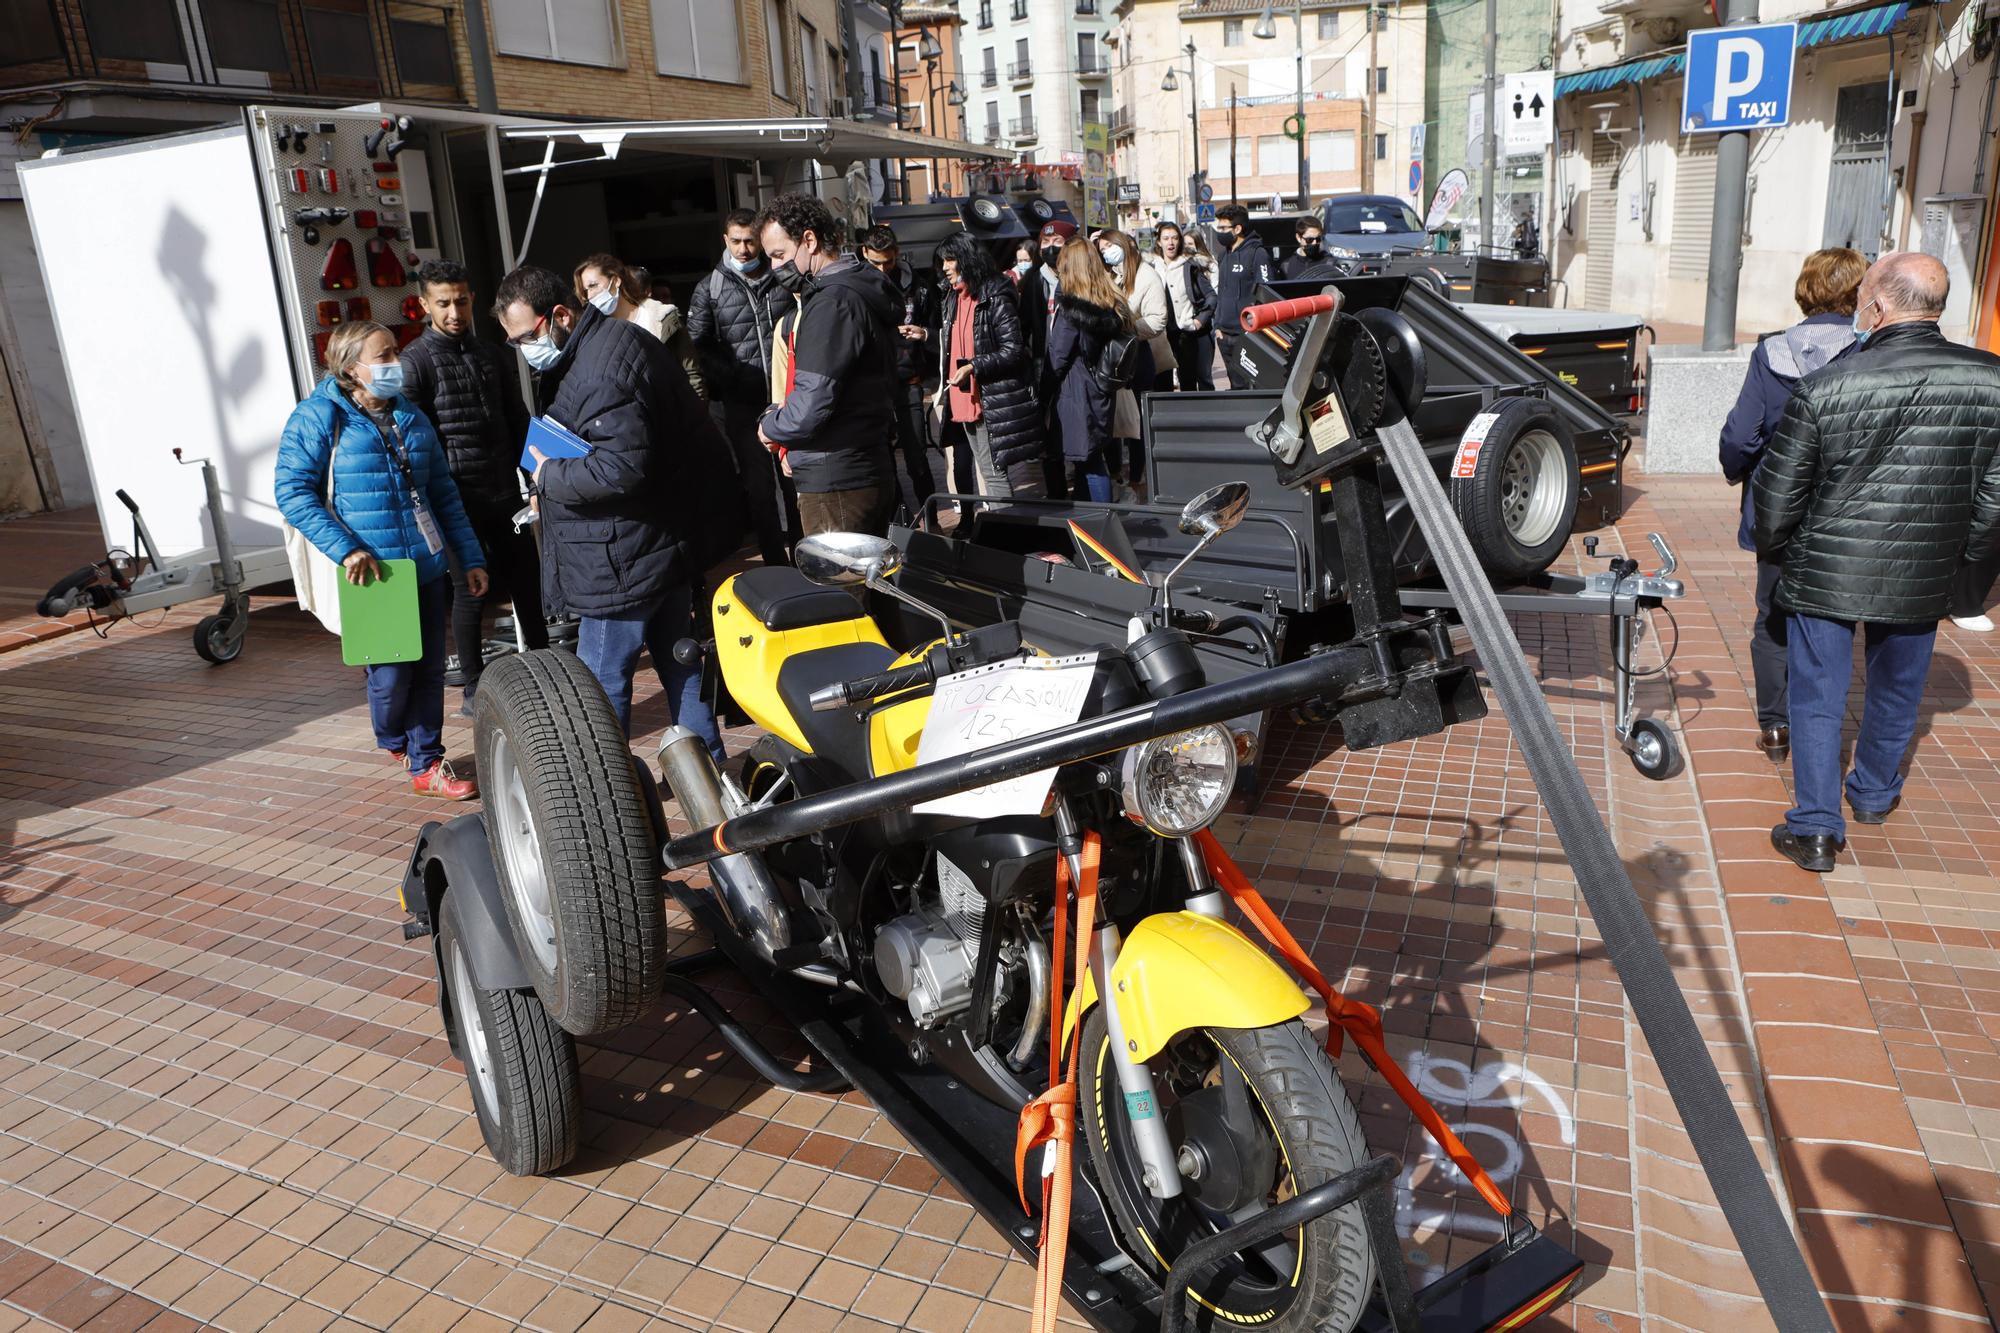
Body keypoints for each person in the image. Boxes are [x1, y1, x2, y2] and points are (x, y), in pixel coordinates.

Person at [1754, 252, 2000, 873]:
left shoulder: (1826, 385)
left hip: (1826, 569)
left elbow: (1776, 497)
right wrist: (1963, 558)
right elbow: (1995, 498)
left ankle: (1815, 827)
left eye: (1864, 296)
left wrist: (1780, 552)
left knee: (1817, 694)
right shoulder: (1992, 381)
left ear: (1879, 307)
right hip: (1924, 566)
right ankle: (1872, 794)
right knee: (1897, 690)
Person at [491, 265, 727, 755]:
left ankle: (613, 797)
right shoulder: (613, 340)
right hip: (654, 544)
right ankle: (712, 776)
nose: (523, 350)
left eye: (524, 338)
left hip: (620, 557)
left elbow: (620, 468)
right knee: (681, 663)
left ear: (559, 315)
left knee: (602, 687)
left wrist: (547, 476)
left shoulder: (600, 368)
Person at [276, 321, 485, 799]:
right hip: (373, 575)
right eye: (385, 356)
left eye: (396, 353)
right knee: (391, 679)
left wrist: (469, 557)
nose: (397, 364)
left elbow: (442, 494)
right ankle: (393, 738)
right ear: (352, 368)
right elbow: (292, 492)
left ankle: (427, 763)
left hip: (426, 567)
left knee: (429, 671)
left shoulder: (411, 416)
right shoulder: (317, 418)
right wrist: (346, 547)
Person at [1717, 247, 1865, 763]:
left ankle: (1775, 727)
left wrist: (1744, 473)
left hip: (1778, 507)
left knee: (1771, 616)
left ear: (1805, 290)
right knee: (1832, 620)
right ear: (1857, 293)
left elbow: (1741, 434)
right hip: (1845, 512)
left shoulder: (1773, 352)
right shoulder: (1868, 355)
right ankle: (1818, 731)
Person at [398, 259, 547, 716]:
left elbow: (518, 418)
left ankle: (543, 667)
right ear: (424, 305)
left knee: (527, 579)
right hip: (456, 497)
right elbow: (415, 438)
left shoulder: (493, 354)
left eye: (461, 300)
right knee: (471, 590)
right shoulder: (416, 361)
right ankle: (473, 685)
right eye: (442, 303)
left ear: (472, 299)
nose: (454, 311)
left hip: (505, 487)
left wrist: (539, 471)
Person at [755, 193, 900, 538]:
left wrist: (770, 425)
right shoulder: (851, 291)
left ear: (810, 240)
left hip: (836, 477)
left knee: (840, 591)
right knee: (866, 586)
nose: (775, 267)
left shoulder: (832, 302)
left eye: (780, 255)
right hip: (859, 466)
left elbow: (810, 405)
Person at [689, 209, 794, 566]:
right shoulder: (710, 288)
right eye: (736, 241)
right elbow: (699, 345)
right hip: (742, 404)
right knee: (759, 489)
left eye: (750, 241)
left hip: (786, 399)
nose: (744, 249)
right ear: (725, 240)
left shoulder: (783, 277)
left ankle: (804, 557)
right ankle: (776, 565)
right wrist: (730, 377)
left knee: (793, 483)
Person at [934, 230, 1045, 502]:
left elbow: (1013, 350)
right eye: (943, 261)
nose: (945, 267)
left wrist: (974, 366)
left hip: (988, 397)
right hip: (963, 395)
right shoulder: (952, 296)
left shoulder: (995, 293)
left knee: (993, 472)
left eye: (950, 259)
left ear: (966, 259)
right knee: (986, 469)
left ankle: (1003, 533)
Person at [859, 224, 941, 514]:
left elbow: (937, 329)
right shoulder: (856, 287)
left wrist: (923, 334)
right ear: (864, 254)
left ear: (896, 254)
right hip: (873, 386)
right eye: (875, 263)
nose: (882, 270)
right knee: (883, 460)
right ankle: (899, 518)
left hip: (909, 381)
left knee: (917, 457)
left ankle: (930, 520)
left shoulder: (917, 286)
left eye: (888, 262)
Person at [1047, 237, 1131, 502]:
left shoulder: (1072, 308)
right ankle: (1089, 525)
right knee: (1089, 461)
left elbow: (1057, 357)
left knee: (1090, 464)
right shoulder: (1110, 299)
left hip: (1076, 391)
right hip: (1100, 389)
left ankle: (1104, 525)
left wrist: (1042, 393)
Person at [1097, 227, 1172, 500]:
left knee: (1135, 425)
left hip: (1136, 359)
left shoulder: (1146, 275)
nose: (1105, 253)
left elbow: (1157, 320)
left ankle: (1136, 479)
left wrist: (1124, 327)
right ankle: (1116, 475)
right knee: (1111, 422)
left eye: (1109, 247)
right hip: (1110, 360)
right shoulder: (1109, 275)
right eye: (1102, 249)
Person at [573, 254, 706, 402]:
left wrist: (697, 415)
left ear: (615, 280)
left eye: (593, 285)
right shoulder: (596, 335)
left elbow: (692, 374)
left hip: (675, 414)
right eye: (585, 291)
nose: (590, 295)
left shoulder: (662, 317)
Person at [1210, 203, 1272, 389]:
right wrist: (1218, 326)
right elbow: (1222, 292)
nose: (1219, 232)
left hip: (1247, 334)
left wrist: (1255, 328)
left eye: (1223, 228)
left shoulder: (1257, 253)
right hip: (1224, 334)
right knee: (1235, 386)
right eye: (1218, 227)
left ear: (1237, 228)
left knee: (1252, 386)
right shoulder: (1224, 255)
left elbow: (1266, 292)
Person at [1152, 222, 1215, 392]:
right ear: (1159, 242)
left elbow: (1211, 296)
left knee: (1188, 381)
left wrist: (1199, 321)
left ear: (1180, 241)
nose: (1170, 242)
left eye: (1174, 238)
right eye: (1166, 238)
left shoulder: (1190, 265)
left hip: (1185, 333)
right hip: (1160, 335)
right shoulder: (1152, 266)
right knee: (1162, 384)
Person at [1278, 215, 1328, 280]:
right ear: (1298, 238)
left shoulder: (1329, 262)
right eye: (1309, 240)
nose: (1314, 243)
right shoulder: (1287, 266)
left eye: (1318, 239)